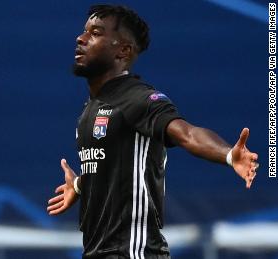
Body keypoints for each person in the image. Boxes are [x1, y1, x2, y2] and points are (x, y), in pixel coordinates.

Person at [47, 4, 259, 259]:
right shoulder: (90, 109)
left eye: (95, 33)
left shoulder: (138, 97)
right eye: (84, 31)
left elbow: (186, 133)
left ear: (123, 51)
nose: (80, 38)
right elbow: (116, 169)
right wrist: (81, 185)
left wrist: (227, 154)